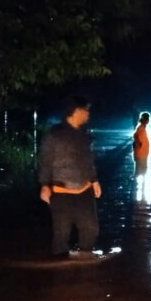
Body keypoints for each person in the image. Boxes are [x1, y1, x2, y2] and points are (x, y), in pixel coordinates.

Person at [38, 96, 102, 259]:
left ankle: (85, 267)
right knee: (61, 235)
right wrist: (44, 185)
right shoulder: (54, 135)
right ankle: (60, 274)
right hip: (61, 191)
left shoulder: (85, 135)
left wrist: (94, 181)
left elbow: (89, 160)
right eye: (86, 110)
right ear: (77, 111)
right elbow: (45, 161)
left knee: (90, 230)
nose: (88, 114)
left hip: (85, 189)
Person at [132, 111, 151, 177]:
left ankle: (141, 186)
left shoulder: (142, 128)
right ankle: (137, 187)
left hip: (143, 154)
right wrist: (138, 145)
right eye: (147, 119)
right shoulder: (141, 128)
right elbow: (135, 136)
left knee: (142, 173)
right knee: (139, 174)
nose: (148, 121)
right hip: (141, 155)